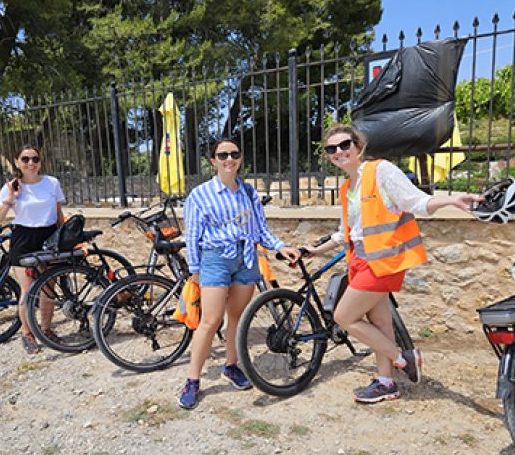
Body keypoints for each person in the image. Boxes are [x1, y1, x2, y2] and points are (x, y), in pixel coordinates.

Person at [304, 124, 482, 403]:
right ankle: (386, 383)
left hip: (383, 261)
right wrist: (315, 250)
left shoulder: (381, 171)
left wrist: (451, 200)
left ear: (358, 146)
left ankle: (403, 359)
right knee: (380, 322)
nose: (339, 151)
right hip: (360, 260)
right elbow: (344, 232)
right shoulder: (347, 187)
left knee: (344, 317)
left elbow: (416, 201)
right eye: (331, 149)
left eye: (345, 145)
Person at [179, 139, 300, 409]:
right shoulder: (200, 194)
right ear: (213, 160)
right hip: (216, 260)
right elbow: (192, 236)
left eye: (234, 154)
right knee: (210, 321)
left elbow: (260, 230)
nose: (229, 159)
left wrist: (281, 246)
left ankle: (231, 366)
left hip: (246, 258)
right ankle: (193, 380)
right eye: (222, 155)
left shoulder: (248, 191)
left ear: (240, 157)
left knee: (237, 317)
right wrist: (195, 270)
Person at [0, 144, 65, 355]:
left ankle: (46, 329)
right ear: (17, 162)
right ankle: (27, 332)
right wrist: (10, 200)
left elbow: (59, 214)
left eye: (35, 159)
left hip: (49, 236)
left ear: (40, 162)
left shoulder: (52, 183)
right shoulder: (11, 186)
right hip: (24, 238)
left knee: (49, 288)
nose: (30, 163)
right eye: (25, 159)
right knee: (28, 289)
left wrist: (66, 238)